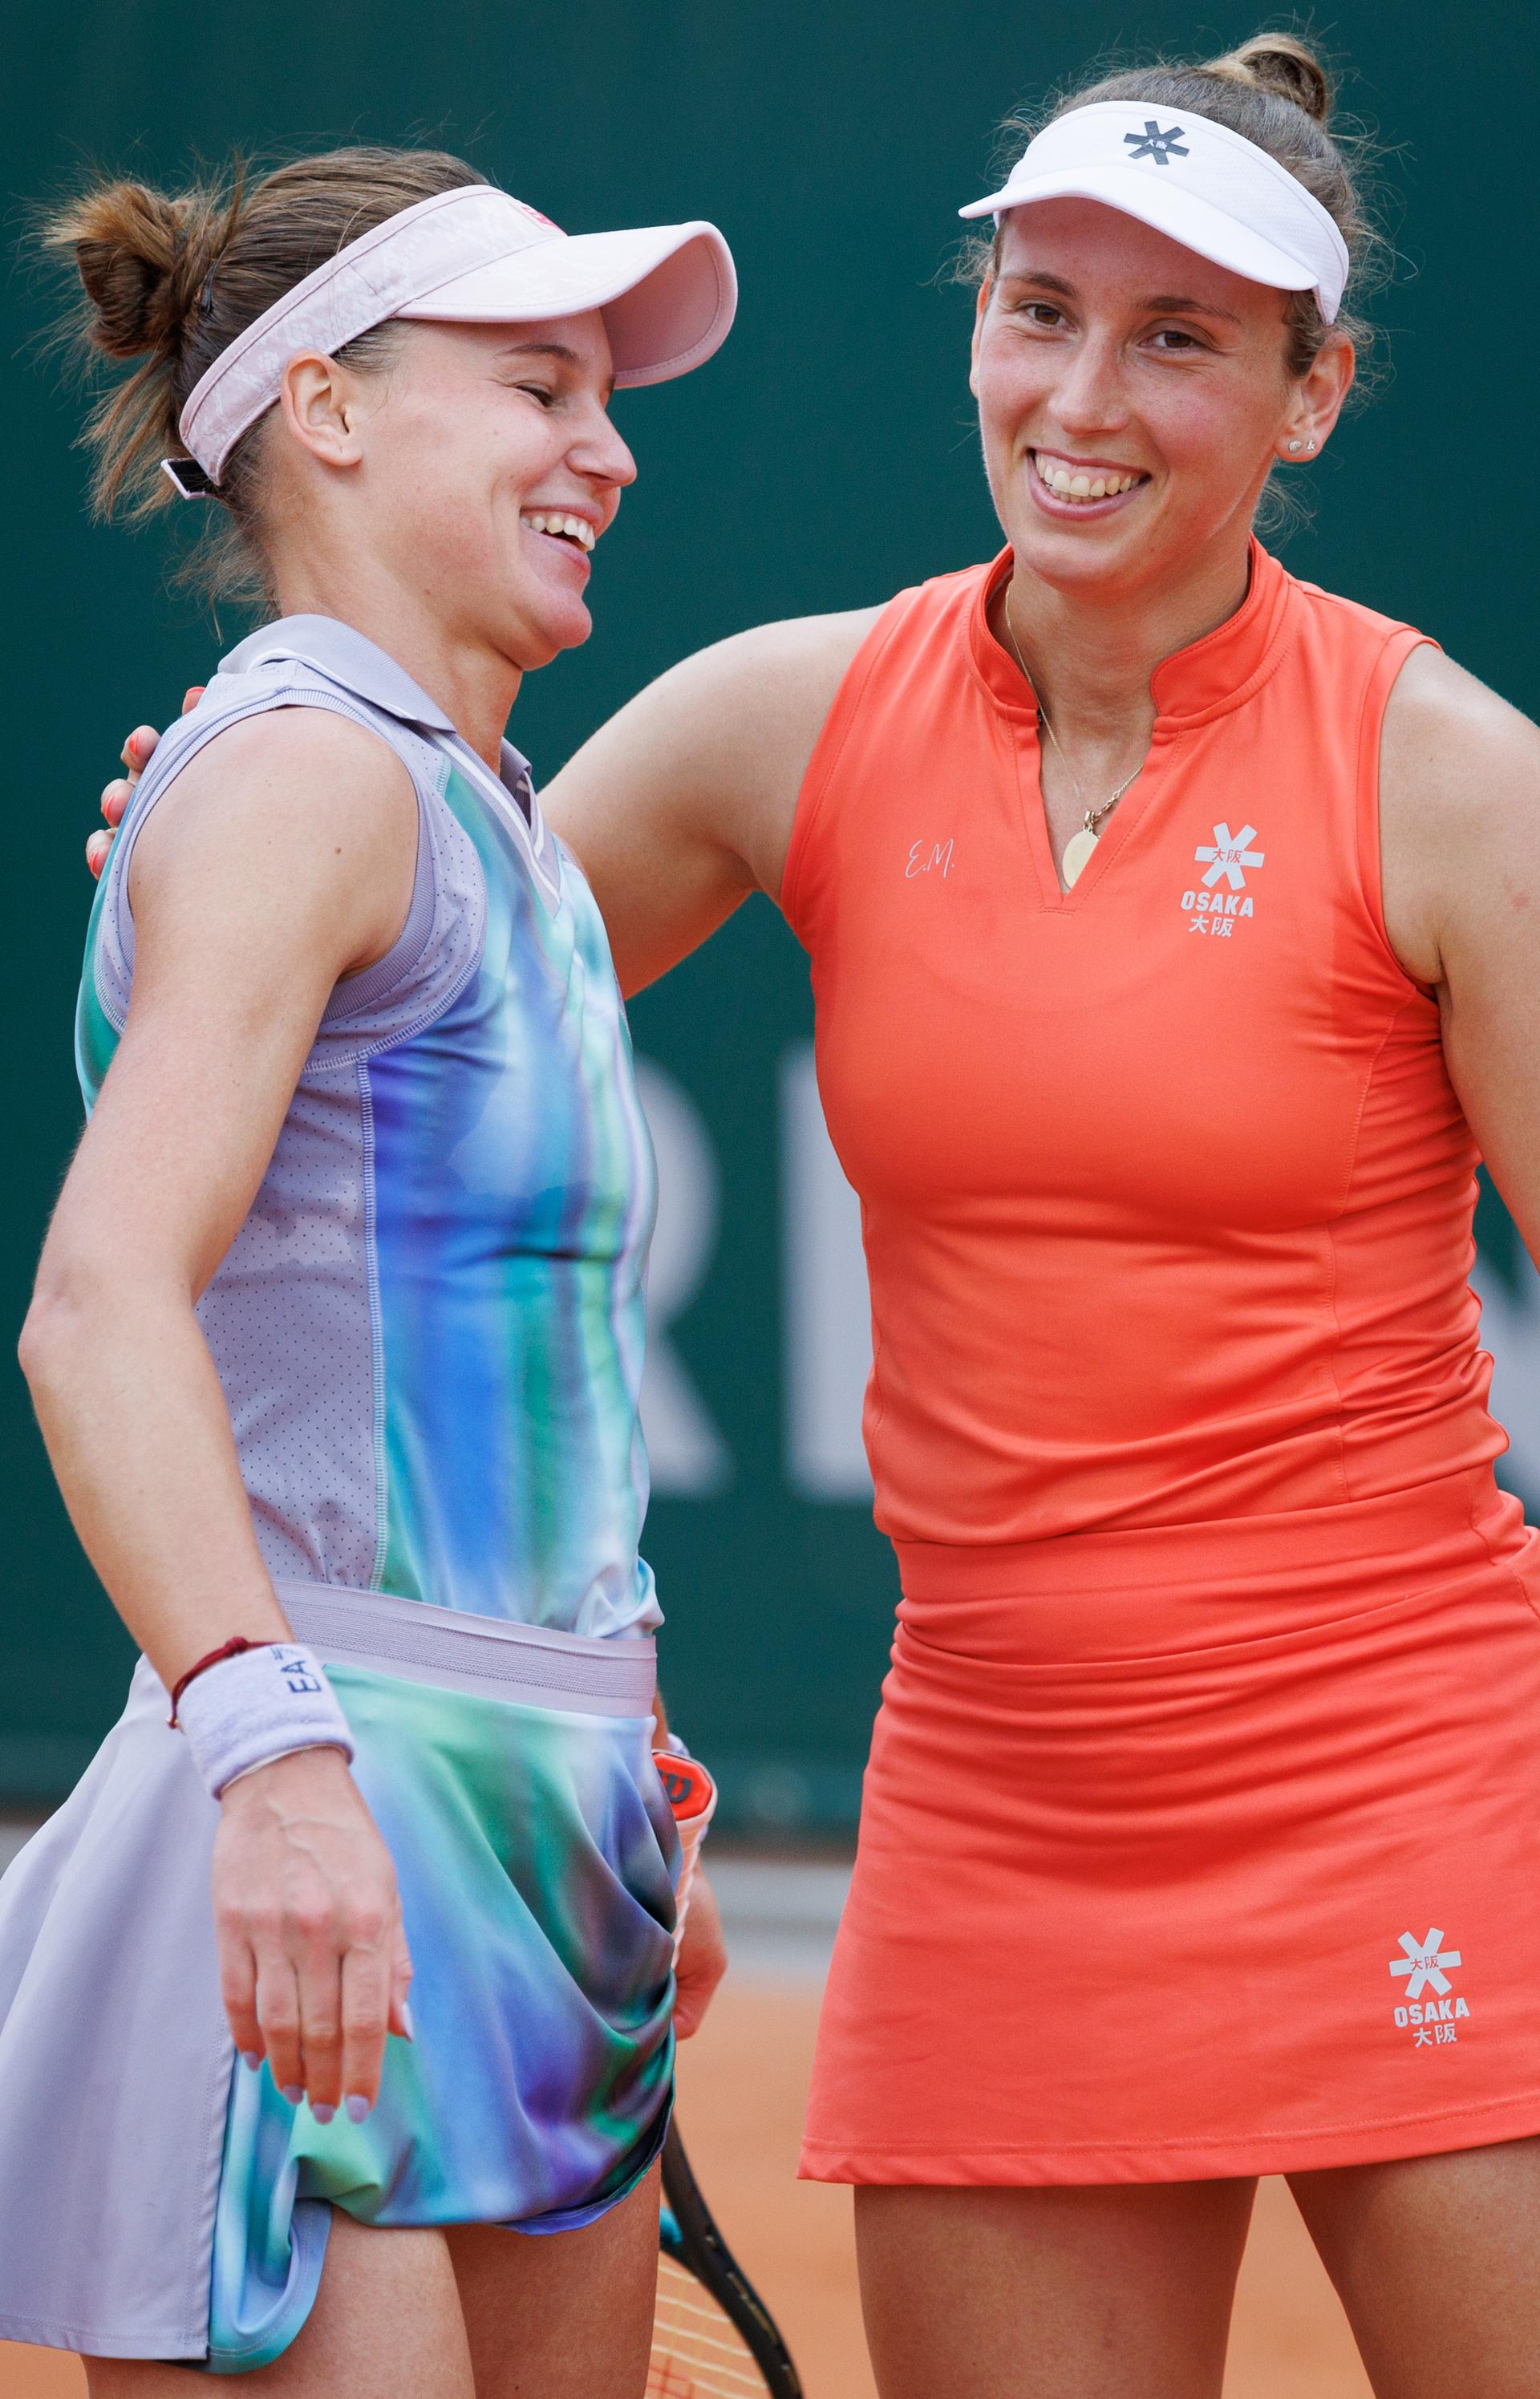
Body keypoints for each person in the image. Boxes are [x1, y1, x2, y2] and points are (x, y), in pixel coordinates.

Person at [87, 33, 1540, 2398]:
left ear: (1313, 394)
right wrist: (244, 819)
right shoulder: (795, 720)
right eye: (1042, 307)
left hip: (1418, 1787)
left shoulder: (1459, 784)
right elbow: (434, 987)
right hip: (1000, 1824)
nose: (1085, 393)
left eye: (1182, 338)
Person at [9, 147, 736, 2395]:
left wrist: (626, 1760)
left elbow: (474, 1400)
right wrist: (275, 1760)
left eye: (603, 394)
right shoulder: (314, 777)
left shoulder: (474, 808)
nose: (603, 443)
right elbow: (98, 1300)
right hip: (323, 1818)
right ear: (324, 409)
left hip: (542, 1837)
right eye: (536, 385)